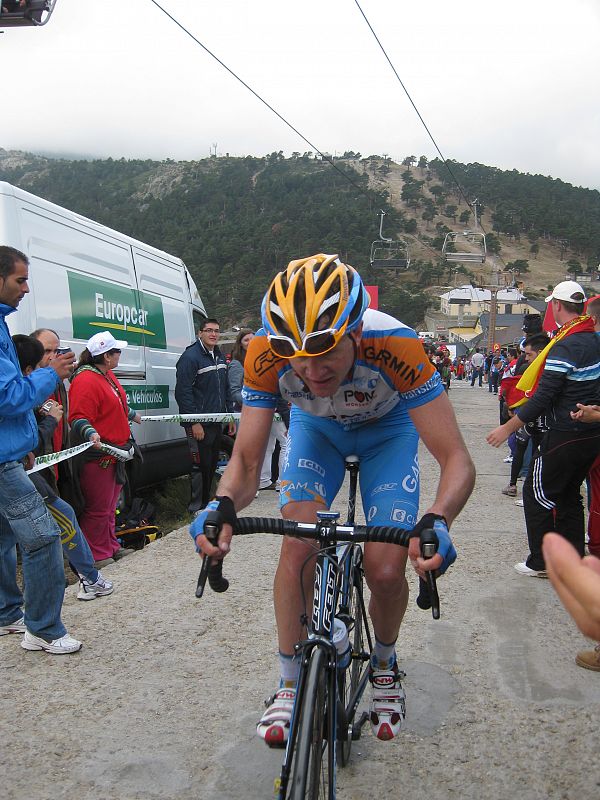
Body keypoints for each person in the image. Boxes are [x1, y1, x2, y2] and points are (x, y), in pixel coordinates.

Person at [190, 253, 475, 745]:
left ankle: (384, 665)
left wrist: (438, 519)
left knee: (385, 569)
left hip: (388, 432)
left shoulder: (396, 344)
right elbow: (246, 463)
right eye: (295, 354)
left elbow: (456, 460)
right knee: (297, 546)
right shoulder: (263, 352)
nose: (310, 369)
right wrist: (220, 506)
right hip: (317, 432)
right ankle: (287, 680)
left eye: (324, 351)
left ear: (357, 333)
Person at [487, 280, 600, 577]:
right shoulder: (592, 339)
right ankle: (573, 561)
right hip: (591, 433)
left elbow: (544, 396)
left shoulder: (567, 344)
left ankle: (541, 562)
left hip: (564, 433)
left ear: (556, 306)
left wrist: (509, 427)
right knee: (568, 496)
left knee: (536, 494)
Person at [0, 245, 82, 654]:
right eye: (20, 280)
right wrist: (50, 374)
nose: (27, 289)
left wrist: (25, 443)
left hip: (8, 456)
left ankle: (6, 614)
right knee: (44, 537)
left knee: (2, 539)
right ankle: (44, 628)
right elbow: (8, 397)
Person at [12, 334, 113, 601]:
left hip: (52, 467)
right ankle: (86, 580)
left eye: (58, 349)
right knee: (54, 526)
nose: (54, 356)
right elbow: (26, 438)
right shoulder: (26, 387)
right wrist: (50, 422)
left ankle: (12, 609)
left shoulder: (57, 383)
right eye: (47, 350)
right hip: (24, 471)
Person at [68, 331, 141, 567]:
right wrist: (91, 433)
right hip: (98, 455)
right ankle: (96, 554)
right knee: (98, 508)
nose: (120, 354)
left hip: (114, 452)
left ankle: (110, 546)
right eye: (117, 351)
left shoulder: (105, 374)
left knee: (110, 507)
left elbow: (115, 402)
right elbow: (78, 416)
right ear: (106, 356)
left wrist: (130, 414)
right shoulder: (86, 380)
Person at [176, 317, 231, 592]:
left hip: (217, 421)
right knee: (198, 466)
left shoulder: (218, 354)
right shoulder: (190, 357)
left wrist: (229, 414)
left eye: (217, 331)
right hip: (198, 424)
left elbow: (223, 388)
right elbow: (183, 392)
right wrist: (193, 421)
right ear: (200, 332)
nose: (213, 335)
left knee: (211, 465)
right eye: (209, 331)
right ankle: (194, 509)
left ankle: (208, 505)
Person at [227, 327, 254, 412]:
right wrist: (252, 403)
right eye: (246, 340)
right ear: (240, 344)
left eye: (252, 339)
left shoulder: (258, 360)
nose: (250, 342)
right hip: (244, 411)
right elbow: (235, 391)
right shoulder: (237, 364)